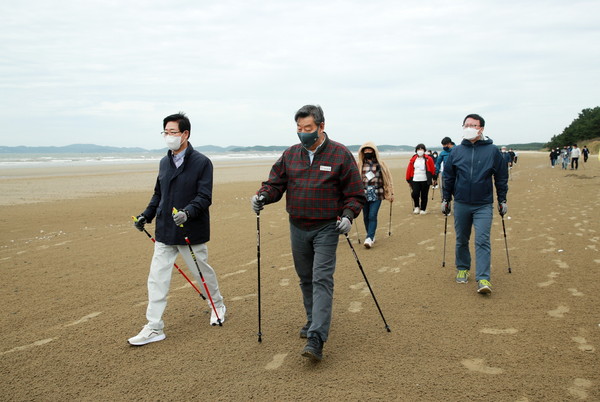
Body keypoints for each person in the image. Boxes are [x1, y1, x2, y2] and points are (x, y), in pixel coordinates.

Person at [250, 105, 365, 362]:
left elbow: (355, 193)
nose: (303, 134)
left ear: (321, 127)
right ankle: (314, 319)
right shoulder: (291, 155)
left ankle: (317, 337)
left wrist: (348, 215)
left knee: (321, 278)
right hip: (297, 225)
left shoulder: (340, 154)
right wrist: (262, 196)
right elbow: (275, 183)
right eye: (299, 129)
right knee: (305, 278)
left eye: (308, 129)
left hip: (327, 226)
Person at [128, 112, 226, 346]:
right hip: (164, 231)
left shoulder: (202, 162)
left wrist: (187, 212)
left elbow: (204, 197)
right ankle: (154, 327)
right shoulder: (164, 162)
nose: (169, 136)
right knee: (157, 278)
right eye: (166, 132)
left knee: (202, 272)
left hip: (189, 230)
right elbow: (158, 195)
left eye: (173, 132)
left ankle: (217, 304)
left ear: (185, 134)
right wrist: (146, 215)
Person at [441, 114, 508, 294]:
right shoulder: (456, 151)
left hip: (483, 204)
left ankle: (483, 278)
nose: (469, 127)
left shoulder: (492, 151)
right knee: (462, 239)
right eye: (466, 124)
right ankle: (462, 267)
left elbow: (501, 177)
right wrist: (446, 199)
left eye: (473, 125)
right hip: (461, 202)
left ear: (481, 129)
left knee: (482, 240)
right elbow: (448, 177)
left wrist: (502, 199)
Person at [357, 142, 395, 248]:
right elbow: (354, 179)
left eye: (370, 150)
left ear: (374, 151)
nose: (368, 152)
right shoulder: (359, 164)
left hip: (377, 193)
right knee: (365, 216)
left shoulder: (380, 164)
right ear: (363, 152)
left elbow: (388, 178)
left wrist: (391, 193)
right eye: (366, 150)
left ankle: (369, 237)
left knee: (372, 215)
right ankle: (370, 235)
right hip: (363, 194)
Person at [406, 143, 436, 215]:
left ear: (424, 150)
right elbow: (409, 169)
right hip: (415, 179)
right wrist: (408, 179)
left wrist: (434, 178)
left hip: (425, 179)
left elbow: (432, 169)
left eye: (421, 149)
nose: (420, 151)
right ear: (416, 150)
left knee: (424, 195)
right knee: (415, 194)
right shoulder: (413, 159)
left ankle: (423, 209)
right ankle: (416, 206)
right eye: (418, 149)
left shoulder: (429, 159)